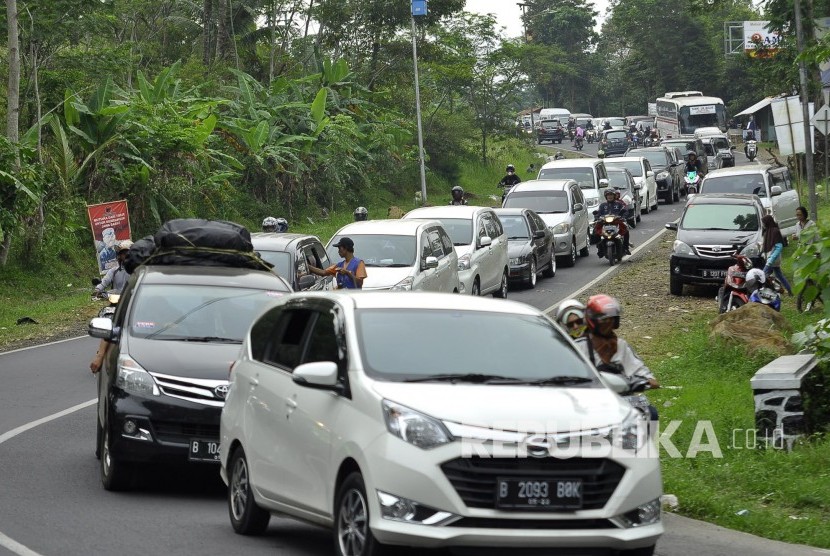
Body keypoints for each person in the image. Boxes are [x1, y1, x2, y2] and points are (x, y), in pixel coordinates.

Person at [576, 294, 660, 419]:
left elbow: (642, 372)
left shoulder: (621, 346)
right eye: (603, 319)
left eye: (612, 319)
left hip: (621, 400)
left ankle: (645, 439)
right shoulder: (579, 347)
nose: (608, 323)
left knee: (650, 413)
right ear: (592, 320)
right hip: (590, 402)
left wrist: (643, 380)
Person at [761, 215, 793, 295]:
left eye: (764, 223)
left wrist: (770, 260)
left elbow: (779, 247)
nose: (763, 224)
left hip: (772, 259)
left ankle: (768, 291)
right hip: (771, 259)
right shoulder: (768, 231)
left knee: (762, 275)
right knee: (779, 275)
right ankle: (790, 291)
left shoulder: (775, 231)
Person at [596, 189, 631, 255]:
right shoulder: (602, 205)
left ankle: (626, 247)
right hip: (605, 222)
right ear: (606, 196)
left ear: (614, 196)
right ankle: (600, 248)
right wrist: (597, 217)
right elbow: (598, 213)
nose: (610, 197)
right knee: (596, 231)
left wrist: (623, 217)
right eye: (608, 195)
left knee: (626, 230)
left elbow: (625, 211)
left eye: (611, 195)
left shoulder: (619, 204)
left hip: (617, 222)